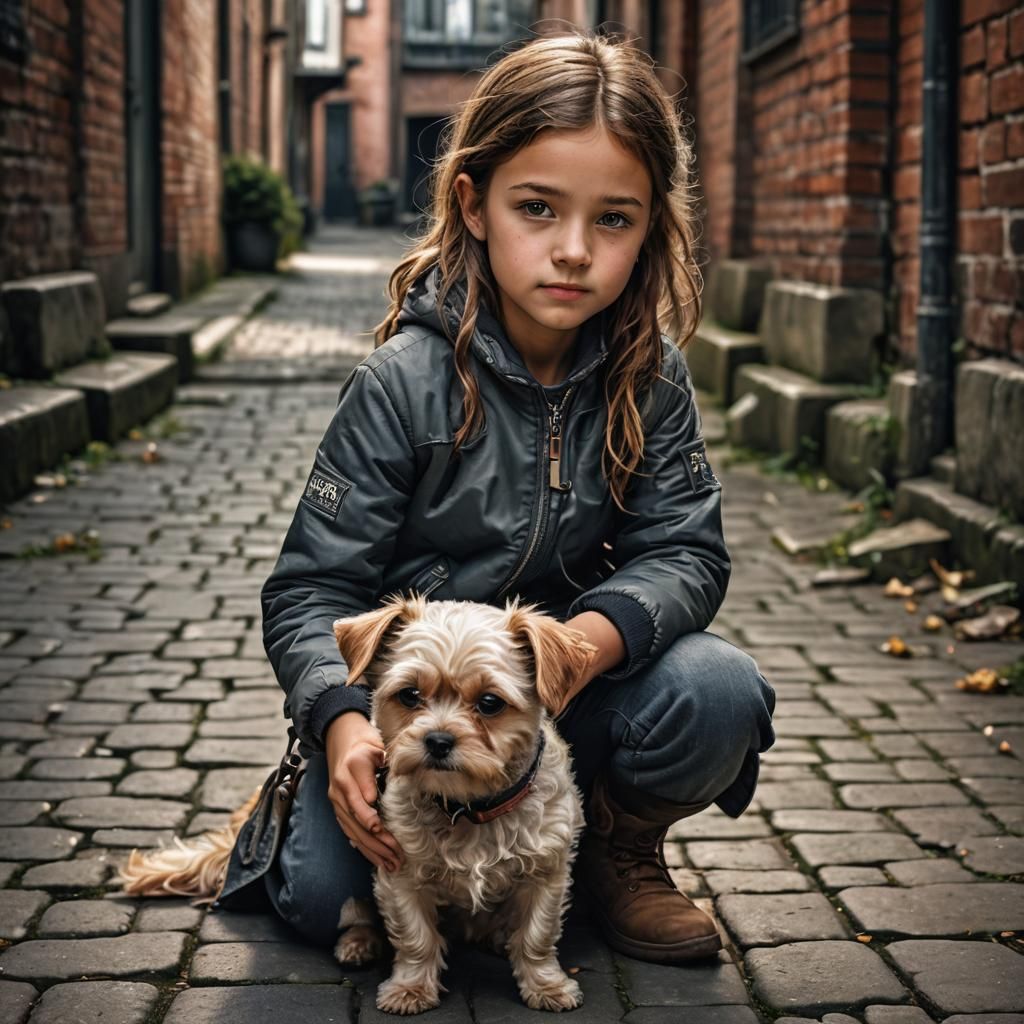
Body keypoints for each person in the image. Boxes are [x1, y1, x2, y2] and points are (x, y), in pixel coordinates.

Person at [258, 31, 775, 964]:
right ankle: (304, 820)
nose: (573, 251)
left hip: (576, 696)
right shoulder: (400, 384)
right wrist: (339, 720)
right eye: (537, 207)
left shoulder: (649, 374)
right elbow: (310, 591)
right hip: (428, 722)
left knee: (719, 688)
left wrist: (581, 649)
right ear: (476, 203)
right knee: (328, 902)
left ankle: (617, 851)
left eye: (614, 220)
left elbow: (687, 553)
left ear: (652, 223)